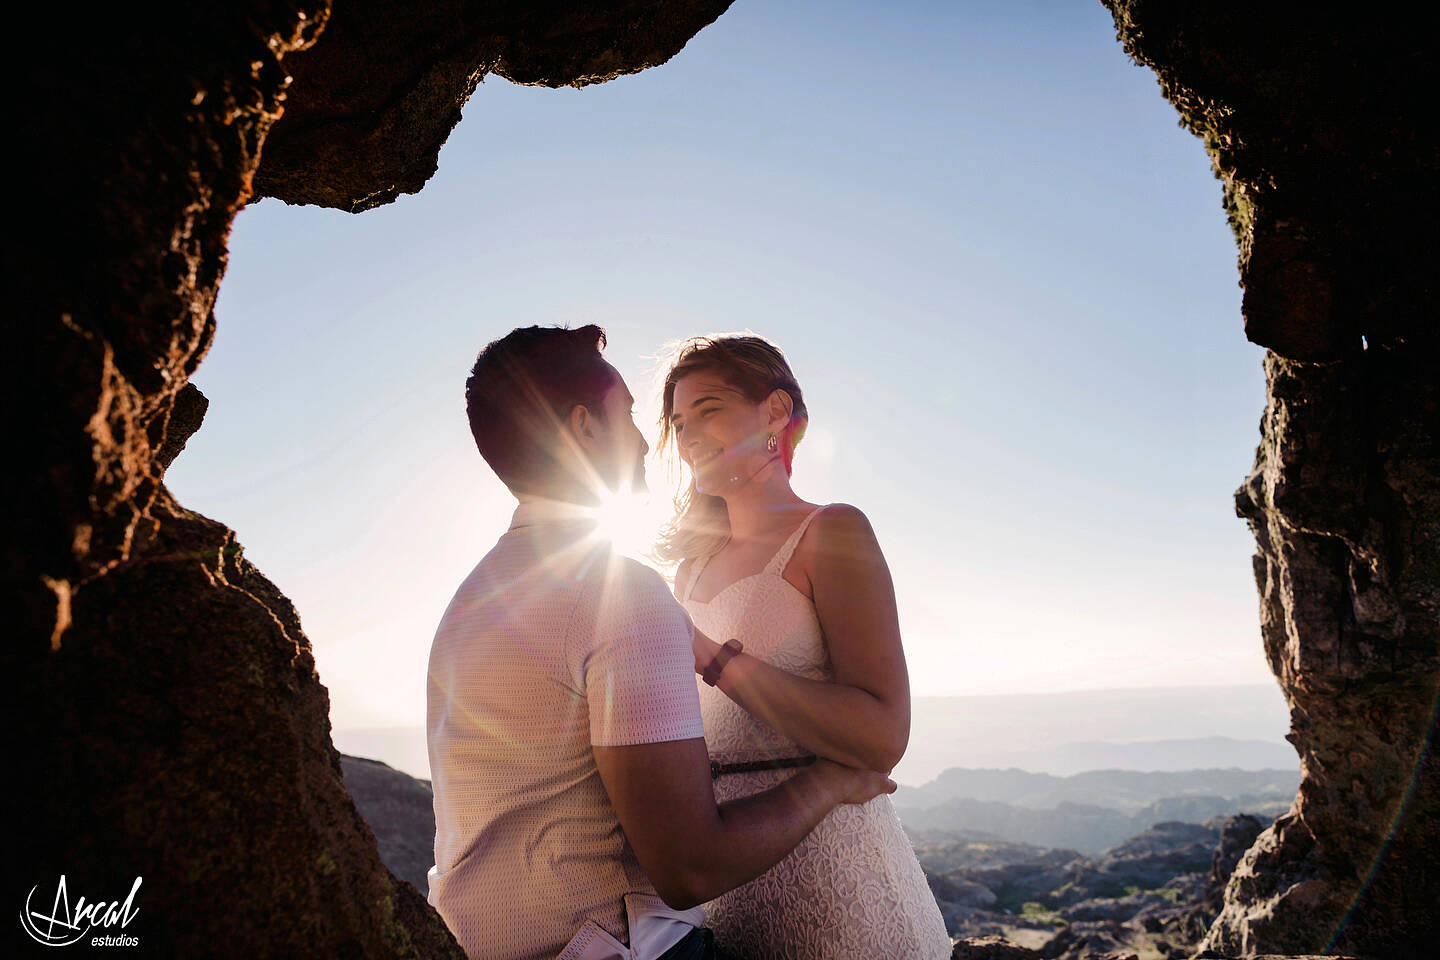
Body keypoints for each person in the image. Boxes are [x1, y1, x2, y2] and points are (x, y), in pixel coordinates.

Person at [425, 325, 896, 960]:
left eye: (705, 411)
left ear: (777, 413)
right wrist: (825, 786)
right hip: (639, 933)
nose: (657, 440)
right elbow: (689, 868)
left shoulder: (469, 602)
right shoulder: (624, 591)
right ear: (587, 428)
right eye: (639, 417)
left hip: (810, 881)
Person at [655, 335, 952, 959]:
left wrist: (712, 657)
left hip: (848, 898)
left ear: (773, 412)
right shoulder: (686, 572)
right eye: (680, 423)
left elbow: (883, 736)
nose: (690, 436)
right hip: (732, 898)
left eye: (708, 409)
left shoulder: (833, 531)